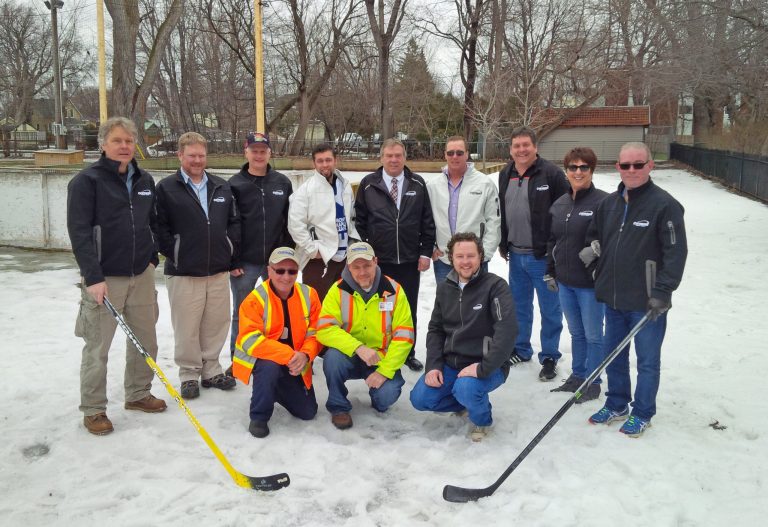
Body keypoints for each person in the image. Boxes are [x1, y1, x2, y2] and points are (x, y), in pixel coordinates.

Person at [67, 116, 167, 436]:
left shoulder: (144, 180)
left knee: (145, 341)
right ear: (103, 144)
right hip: (105, 279)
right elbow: (79, 233)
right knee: (97, 347)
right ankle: (94, 409)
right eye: (117, 140)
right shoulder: (86, 182)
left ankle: (138, 394)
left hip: (141, 274)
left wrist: (152, 258)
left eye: (129, 140)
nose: (124, 146)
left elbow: (152, 222)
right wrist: (92, 276)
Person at [584, 142, 687, 437]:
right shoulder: (609, 204)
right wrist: (597, 272)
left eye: (638, 164)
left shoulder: (664, 205)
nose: (631, 170)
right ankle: (617, 403)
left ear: (650, 165)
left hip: (647, 304)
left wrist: (663, 291)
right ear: (617, 167)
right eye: (625, 165)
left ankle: (642, 411)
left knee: (647, 360)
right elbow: (594, 241)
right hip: (614, 299)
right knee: (614, 355)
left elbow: (675, 253)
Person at [410, 232, 517, 442]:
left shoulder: (495, 287)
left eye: (471, 256)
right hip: (452, 363)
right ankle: (466, 402)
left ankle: (481, 418)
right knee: (420, 398)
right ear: (451, 258)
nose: (465, 262)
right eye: (460, 256)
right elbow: (435, 329)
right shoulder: (445, 288)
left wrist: (482, 368)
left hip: (487, 364)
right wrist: (433, 365)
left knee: (467, 387)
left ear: (480, 257)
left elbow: (508, 330)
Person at [155, 132, 239, 399]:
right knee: (187, 325)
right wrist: (176, 252)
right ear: (180, 155)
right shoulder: (167, 188)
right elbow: (158, 227)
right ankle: (190, 373)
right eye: (191, 155)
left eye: (201, 155)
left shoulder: (221, 186)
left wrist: (229, 250)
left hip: (217, 270)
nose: (197, 160)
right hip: (184, 271)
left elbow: (234, 223)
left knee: (216, 322)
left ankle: (211, 369)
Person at [355, 138, 435, 372]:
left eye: (398, 155)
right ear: (381, 158)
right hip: (381, 261)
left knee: (407, 308)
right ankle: (383, 350)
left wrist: (425, 252)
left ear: (404, 157)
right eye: (389, 155)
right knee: (382, 307)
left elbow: (427, 221)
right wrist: (368, 250)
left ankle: (407, 352)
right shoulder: (369, 184)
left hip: (409, 260)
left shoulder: (417, 183)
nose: (393, 160)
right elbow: (359, 220)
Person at [316, 242, 413, 430]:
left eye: (367, 265)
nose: (362, 272)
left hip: (381, 358)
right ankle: (338, 407)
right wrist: (358, 348)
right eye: (356, 267)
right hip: (349, 354)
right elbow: (325, 328)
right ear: (348, 267)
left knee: (386, 397)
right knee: (332, 358)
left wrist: (384, 371)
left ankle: (378, 396)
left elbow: (405, 336)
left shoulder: (395, 291)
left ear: (375, 262)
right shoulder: (337, 291)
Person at [498, 126, 569, 381]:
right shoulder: (506, 173)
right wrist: (503, 243)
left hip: (543, 257)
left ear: (535, 147)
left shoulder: (551, 174)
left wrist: (556, 250)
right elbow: (504, 212)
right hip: (515, 255)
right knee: (519, 306)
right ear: (511, 149)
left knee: (550, 308)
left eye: (526, 145)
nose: (521, 150)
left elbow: (565, 213)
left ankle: (549, 356)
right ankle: (521, 348)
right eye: (516, 146)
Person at [233, 247, 322, 438]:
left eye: (292, 271)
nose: (286, 276)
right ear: (269, 270)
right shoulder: (255, 299)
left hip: (295, 362)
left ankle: (275, 389)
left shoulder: (310, 294)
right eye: (280, 270)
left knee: (308, 412)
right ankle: (259, 415)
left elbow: (317, 333)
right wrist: (290, 355)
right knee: (269, 368)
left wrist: (305, 355)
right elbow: (250, 340)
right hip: (267, 361)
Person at [545, 147, 608, 402]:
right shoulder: (560, 204)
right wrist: (551, 271)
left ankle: (593, 381)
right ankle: (578, 376)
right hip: (565, 282)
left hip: (590, 284)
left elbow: (616, 237)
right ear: (566, 170)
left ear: (592, 170)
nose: (578, 171)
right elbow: (553, 240)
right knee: (577, 333)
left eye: (584, 167)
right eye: (573, 167)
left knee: (593, 335)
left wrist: (597, 248)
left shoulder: (604, 202)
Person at [228, 132, 294, 375]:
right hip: (245, 261)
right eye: (253, 150)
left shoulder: (282, 183)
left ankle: (279, 354)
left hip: (276, 262)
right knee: (242, 311)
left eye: (262, 150)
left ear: (269, 153)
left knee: (280, 309)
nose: (258, 155)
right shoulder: (235, 184)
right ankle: (238, 358)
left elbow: (290, 221)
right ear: (245, 152)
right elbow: (230, 223)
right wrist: (232, 259)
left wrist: (286, 255)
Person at [288, 143, 359, 299]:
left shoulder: (344, 185)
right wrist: (313, 250)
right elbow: (295, 225)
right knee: (317, 308)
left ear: (335, 160)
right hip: (319, 260)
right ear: (314, 163)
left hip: (343, 258)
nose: (325, 165)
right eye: (320, 161)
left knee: (342, 307)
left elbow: (351, 217)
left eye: (328, 160)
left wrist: (352, 244)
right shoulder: (305, 190)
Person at [426, 136, 500, 283]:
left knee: (476, 304)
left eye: (459, 153)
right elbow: (426, 220)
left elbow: (494, 221)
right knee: (447, 305)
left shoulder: (484, 184)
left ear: (467, 154)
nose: (455, 157)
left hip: (474, 262)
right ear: (445, 155)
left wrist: (484, 253)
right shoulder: (432, 186)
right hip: (444, 262)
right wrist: (431, 248)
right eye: (450, 153)